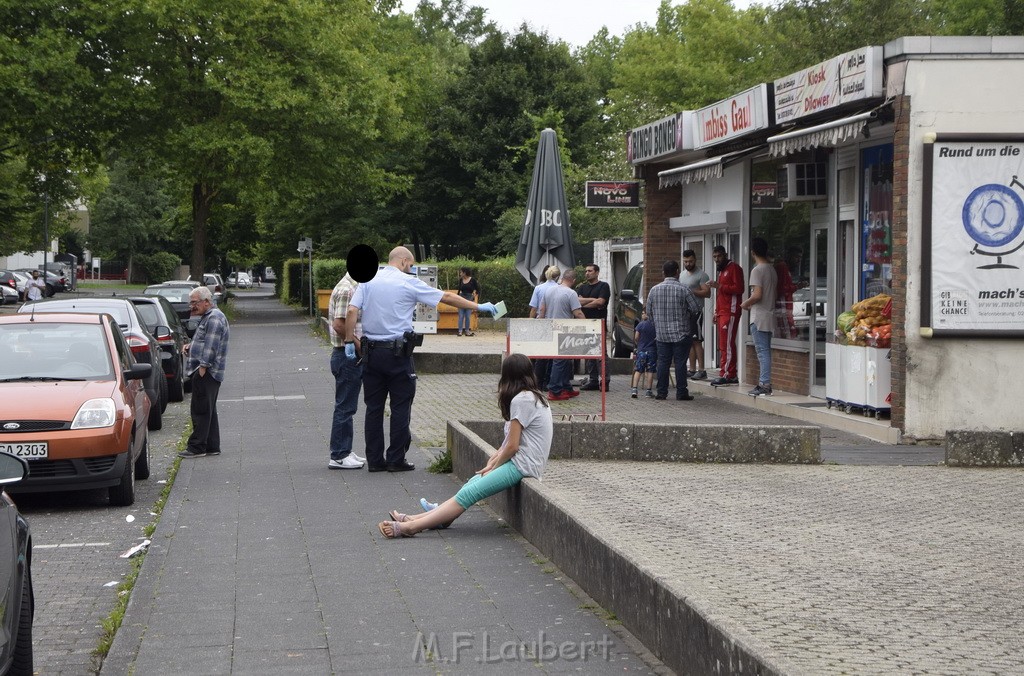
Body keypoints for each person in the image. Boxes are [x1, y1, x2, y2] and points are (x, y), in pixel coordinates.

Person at [344, 246, 499, 472]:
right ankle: (396, 459)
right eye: (412, 264)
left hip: (372, 354)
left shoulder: (368, 280)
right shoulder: (408, 282)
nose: (412, 268)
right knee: (400, 406)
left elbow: (351, 311)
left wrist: (350, 341)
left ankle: (375, 461)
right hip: (397, 355)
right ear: (404, 261)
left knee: (373, 408)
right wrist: (478, 306)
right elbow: (445, 297)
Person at [378, 353, 552, 538]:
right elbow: (508, 442)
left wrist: (495, 466)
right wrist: (492, 463)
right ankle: (422, 518)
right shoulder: (532, 397)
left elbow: (512, 446)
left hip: (523, 465)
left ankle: (411, 527)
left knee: (471, 492)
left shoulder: (522, 400)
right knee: (472, 484)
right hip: (522, 462)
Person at [179, 286, 230, 458]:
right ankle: (212, 446)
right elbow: (204, 341)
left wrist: (203, 367)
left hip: (206, 372)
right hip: (207, 371)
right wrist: (190, 347)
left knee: (200, 410)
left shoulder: (214, 318)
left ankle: (197, 448)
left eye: (194, 302)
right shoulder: (209, 317)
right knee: (208, 410)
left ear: (206, 302)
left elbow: (211, 345)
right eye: (190, 302)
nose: (191, 306)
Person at [645, 260, 703, 401]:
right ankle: (681, 392)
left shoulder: (654, 290)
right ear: (677, 272)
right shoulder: (683, 289)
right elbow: (696, 308)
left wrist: (658, 324)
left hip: (662, 334)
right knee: (680, 363)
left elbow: (648, 312)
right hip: (681, 333)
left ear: (663, 273)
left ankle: (661, 392)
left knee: (663, 363)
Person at [327, 272, 366, 469]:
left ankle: (345, 450)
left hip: (344, 355)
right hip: (346, 355)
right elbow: (339, 324)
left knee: (347, 405)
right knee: (345, 406)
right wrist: (358, 345)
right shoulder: (347, 289)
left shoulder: (351, 287)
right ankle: (339, 455)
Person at [539, 268, 585, 401]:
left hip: (549, 328)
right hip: (565, 331)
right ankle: (555, 390)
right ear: (574, 281)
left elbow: (542, 310)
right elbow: (578, 313)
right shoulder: (571, 293)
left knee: (564, 360)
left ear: (562, 278)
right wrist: (588, 327)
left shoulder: (549, 290)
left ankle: (566, 387)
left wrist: (541, 326)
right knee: (560, 360)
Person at [741, 238, 778, 397]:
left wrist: (745, 303)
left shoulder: (757, 270)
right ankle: (765, 382)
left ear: (753, 252)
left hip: (759, 316)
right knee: (766, 350)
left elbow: (757, 294)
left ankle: (764, 383)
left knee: (762, 352)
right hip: (769, 314)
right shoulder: (771, 269)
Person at [708, 246, 744, 386]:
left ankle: (727, 374)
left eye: (719, 256)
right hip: (723, 311)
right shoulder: (721, 271)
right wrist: (716, 311)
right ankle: (729, 373)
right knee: (724, 345)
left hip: (731, 311)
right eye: (715, 257)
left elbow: (739, 288)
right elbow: (720, 294)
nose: (717, 260)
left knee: (727, 345)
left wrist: (719, 286)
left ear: (726, 255)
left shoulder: (734, 268)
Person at [576, 263, 611, 391]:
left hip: (598, 323)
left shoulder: (604, 286)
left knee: (601, 354)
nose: (587, 273)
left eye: (590, 271)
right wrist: (592, 300)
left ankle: (605, 381)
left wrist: (584, 303)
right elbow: (577, 301)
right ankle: (593, 380)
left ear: (597, 272)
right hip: (586, 324)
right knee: (589, 353)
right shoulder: (582, 287)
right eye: (586, 271)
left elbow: (601, 302)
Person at [680, 250, 711, 381]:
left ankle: (702, 369)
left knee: (697, 340)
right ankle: (692, 369)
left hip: (696, 311)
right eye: (686, 262)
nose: (688, 264)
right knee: (689, 341)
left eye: (690, 261)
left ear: (695, 260)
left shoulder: (702, 275)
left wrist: (692, 291)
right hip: (685, 312)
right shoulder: (682, 274)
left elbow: (707, 292)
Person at [529, 265, 559, 391]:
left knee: (540, 355)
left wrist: (530, 322)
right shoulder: (559, 289)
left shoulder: (538, 288)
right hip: (555, 322)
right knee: (554, 355)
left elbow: (534, 308)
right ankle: (549, 380)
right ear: (557, 276)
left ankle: (537, 381)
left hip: (541, 322)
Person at [630, 310, 657, 398]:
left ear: (646, 314)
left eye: (642, 313)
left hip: (641, 350)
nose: (642, 315)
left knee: (638, 370)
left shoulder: (641, 324)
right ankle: (648, 391)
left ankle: (634, 389)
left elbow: (636, 337)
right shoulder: (655, 325)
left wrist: (639, 343)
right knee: (650, 371)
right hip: (652, 350)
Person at [455, 266, 480, 336]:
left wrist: (474, 296)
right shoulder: (461, 280)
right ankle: (460, 331)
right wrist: (457, 298)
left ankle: (467, 331)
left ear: (464, 273)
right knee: (461, 315)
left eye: (461, 272)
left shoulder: (472, 280)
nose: (460, 273)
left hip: (469, 298)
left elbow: (477, 289)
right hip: (461, 298)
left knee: (468, 316)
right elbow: (459, 290)